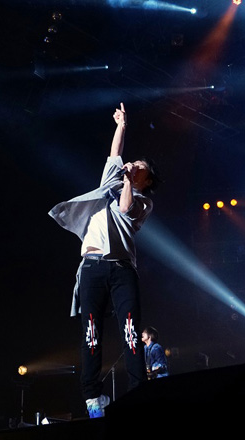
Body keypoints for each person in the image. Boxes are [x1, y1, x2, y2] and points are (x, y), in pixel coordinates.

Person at [48, 103, 161, 418]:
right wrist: (121, 126)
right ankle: (92, 399)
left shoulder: (143, 202)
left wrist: (127, 180)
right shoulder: (111, 179)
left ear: (146, 180)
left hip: (122, 270)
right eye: (133, 162)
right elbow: (115, 153)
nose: (133, 165)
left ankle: (138, 395)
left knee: (130, 332)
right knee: (91, 333)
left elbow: (124, 208)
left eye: (140, 168)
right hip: (92, 267)